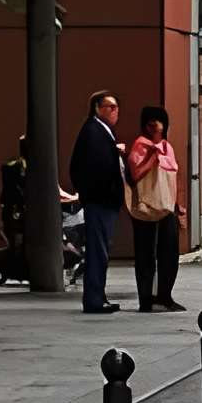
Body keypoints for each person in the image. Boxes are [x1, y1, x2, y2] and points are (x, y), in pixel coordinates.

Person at [69, 91, 126, 313]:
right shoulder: (93, 131)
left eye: (117, 107)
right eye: (110, 107)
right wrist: (96, 193)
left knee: (100, 251)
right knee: (97, 251)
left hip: (102, 201)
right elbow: (90, 167)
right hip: (100, 202)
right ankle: (94, 299)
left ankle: (98, 295)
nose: (115, 111)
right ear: (97, 108)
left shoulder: (101, 132)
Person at [125, 102, 184, 312]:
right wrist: (153, 156)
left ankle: (165, 296)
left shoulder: (168, 147)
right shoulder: (140, 146)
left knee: (169, 253)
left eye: (159, 122)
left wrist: (178, 205)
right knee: (145, 254)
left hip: (166, 207)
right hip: (146, 208)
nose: (156, 127)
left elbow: (174, 176)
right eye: (152, 123)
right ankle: (146, 299)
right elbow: (135, 175)